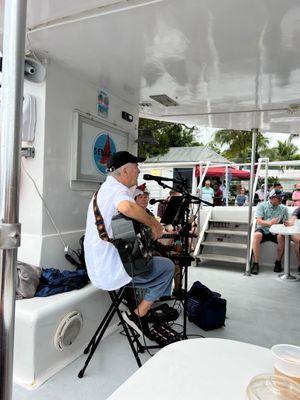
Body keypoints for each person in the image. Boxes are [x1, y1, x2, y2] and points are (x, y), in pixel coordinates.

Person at [84, 151, 174, 339]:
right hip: (112, 271)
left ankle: (142, 309)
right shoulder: (118, 191)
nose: (139, 170)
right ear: (125, 171)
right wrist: (155, 224)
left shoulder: (104, 190)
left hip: (97, 268)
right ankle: (138, 315)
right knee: (167, 266)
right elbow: (127, 207)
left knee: (155, 262)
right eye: (136, 167)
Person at [251, 189, 288, 275]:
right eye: (279, 198)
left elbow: (287, 221)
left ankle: (278, 262)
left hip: (276, 230)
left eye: (281, 197)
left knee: (281, 237)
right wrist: (270, 223)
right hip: (263, 229)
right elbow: (259, 221)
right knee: (256, 235)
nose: (281, 199)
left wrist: (288, 222)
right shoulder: (262, 206)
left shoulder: (284, 208)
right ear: (272, 198)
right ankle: (256, 263)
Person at [284, 207, 300, 273]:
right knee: (299, 241)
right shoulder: (298, 210)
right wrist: (290, 223)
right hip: (297, 231)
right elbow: (293, 219)